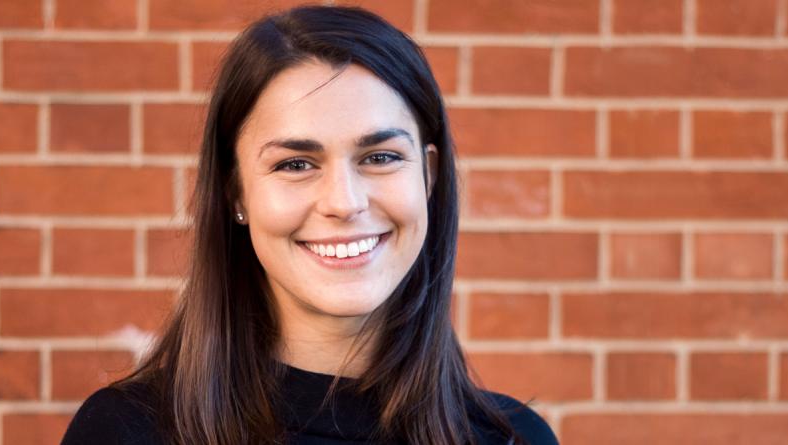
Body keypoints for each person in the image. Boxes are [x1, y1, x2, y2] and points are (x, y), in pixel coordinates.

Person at [60, 5, 557, 445]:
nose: (344, 202)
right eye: (295, 164)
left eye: (380, 156)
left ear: (427, 175)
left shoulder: (515, 438)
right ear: (237, 193)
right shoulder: (127, 431)